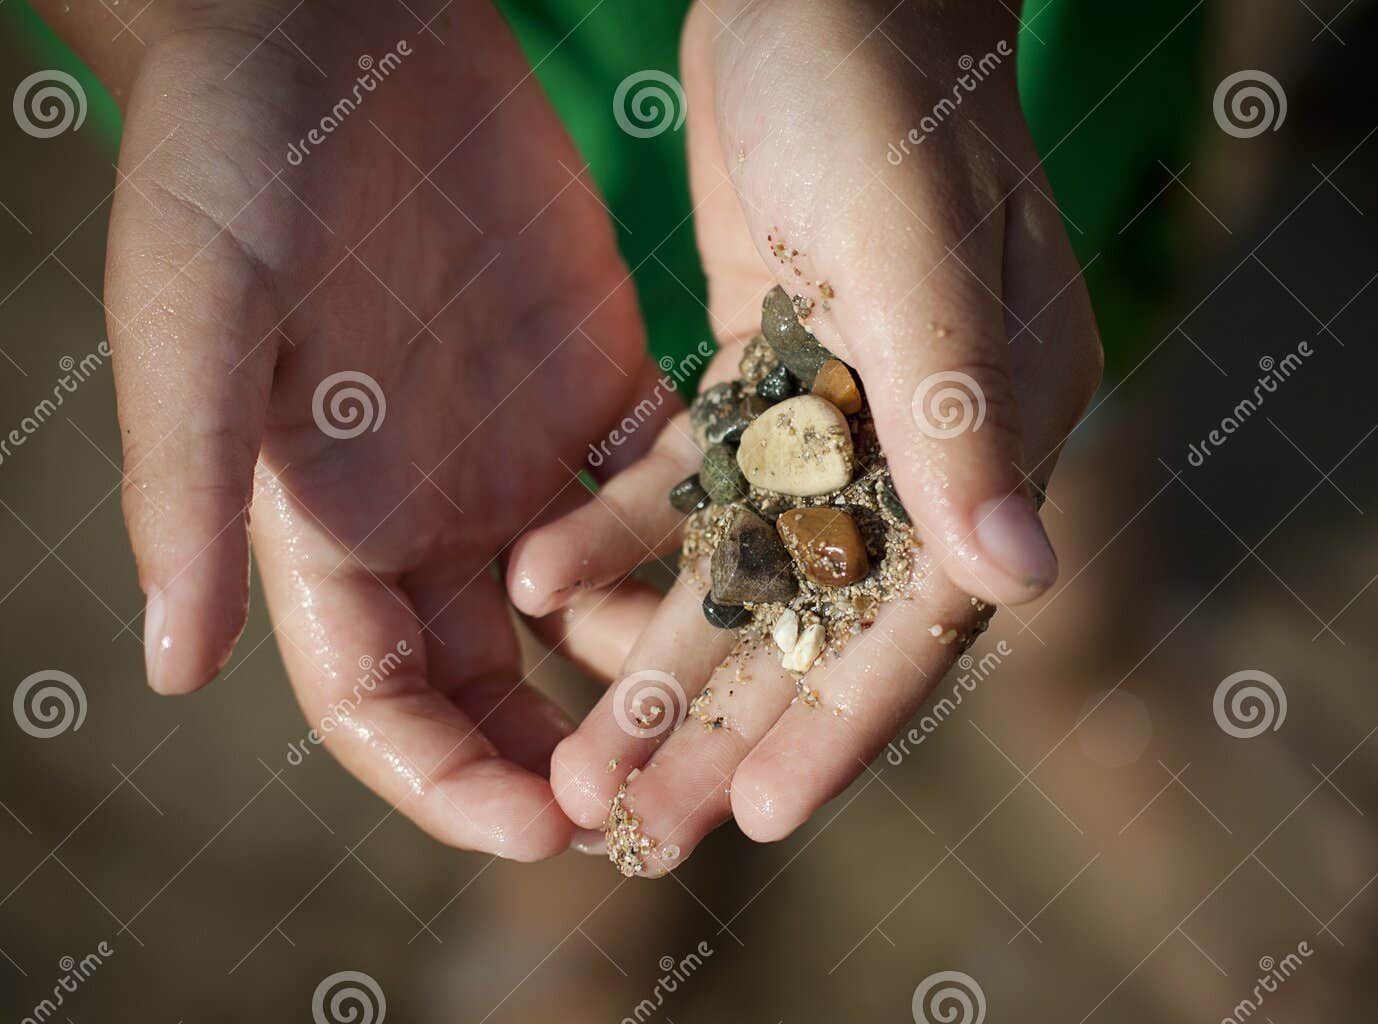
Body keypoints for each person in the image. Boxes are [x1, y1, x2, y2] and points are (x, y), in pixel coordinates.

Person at [34, 0, 1102, 872]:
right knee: (559, 593)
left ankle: (1080, 674)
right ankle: (584, 880)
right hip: (464, 205)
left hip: (902, 124)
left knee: (985, 407)